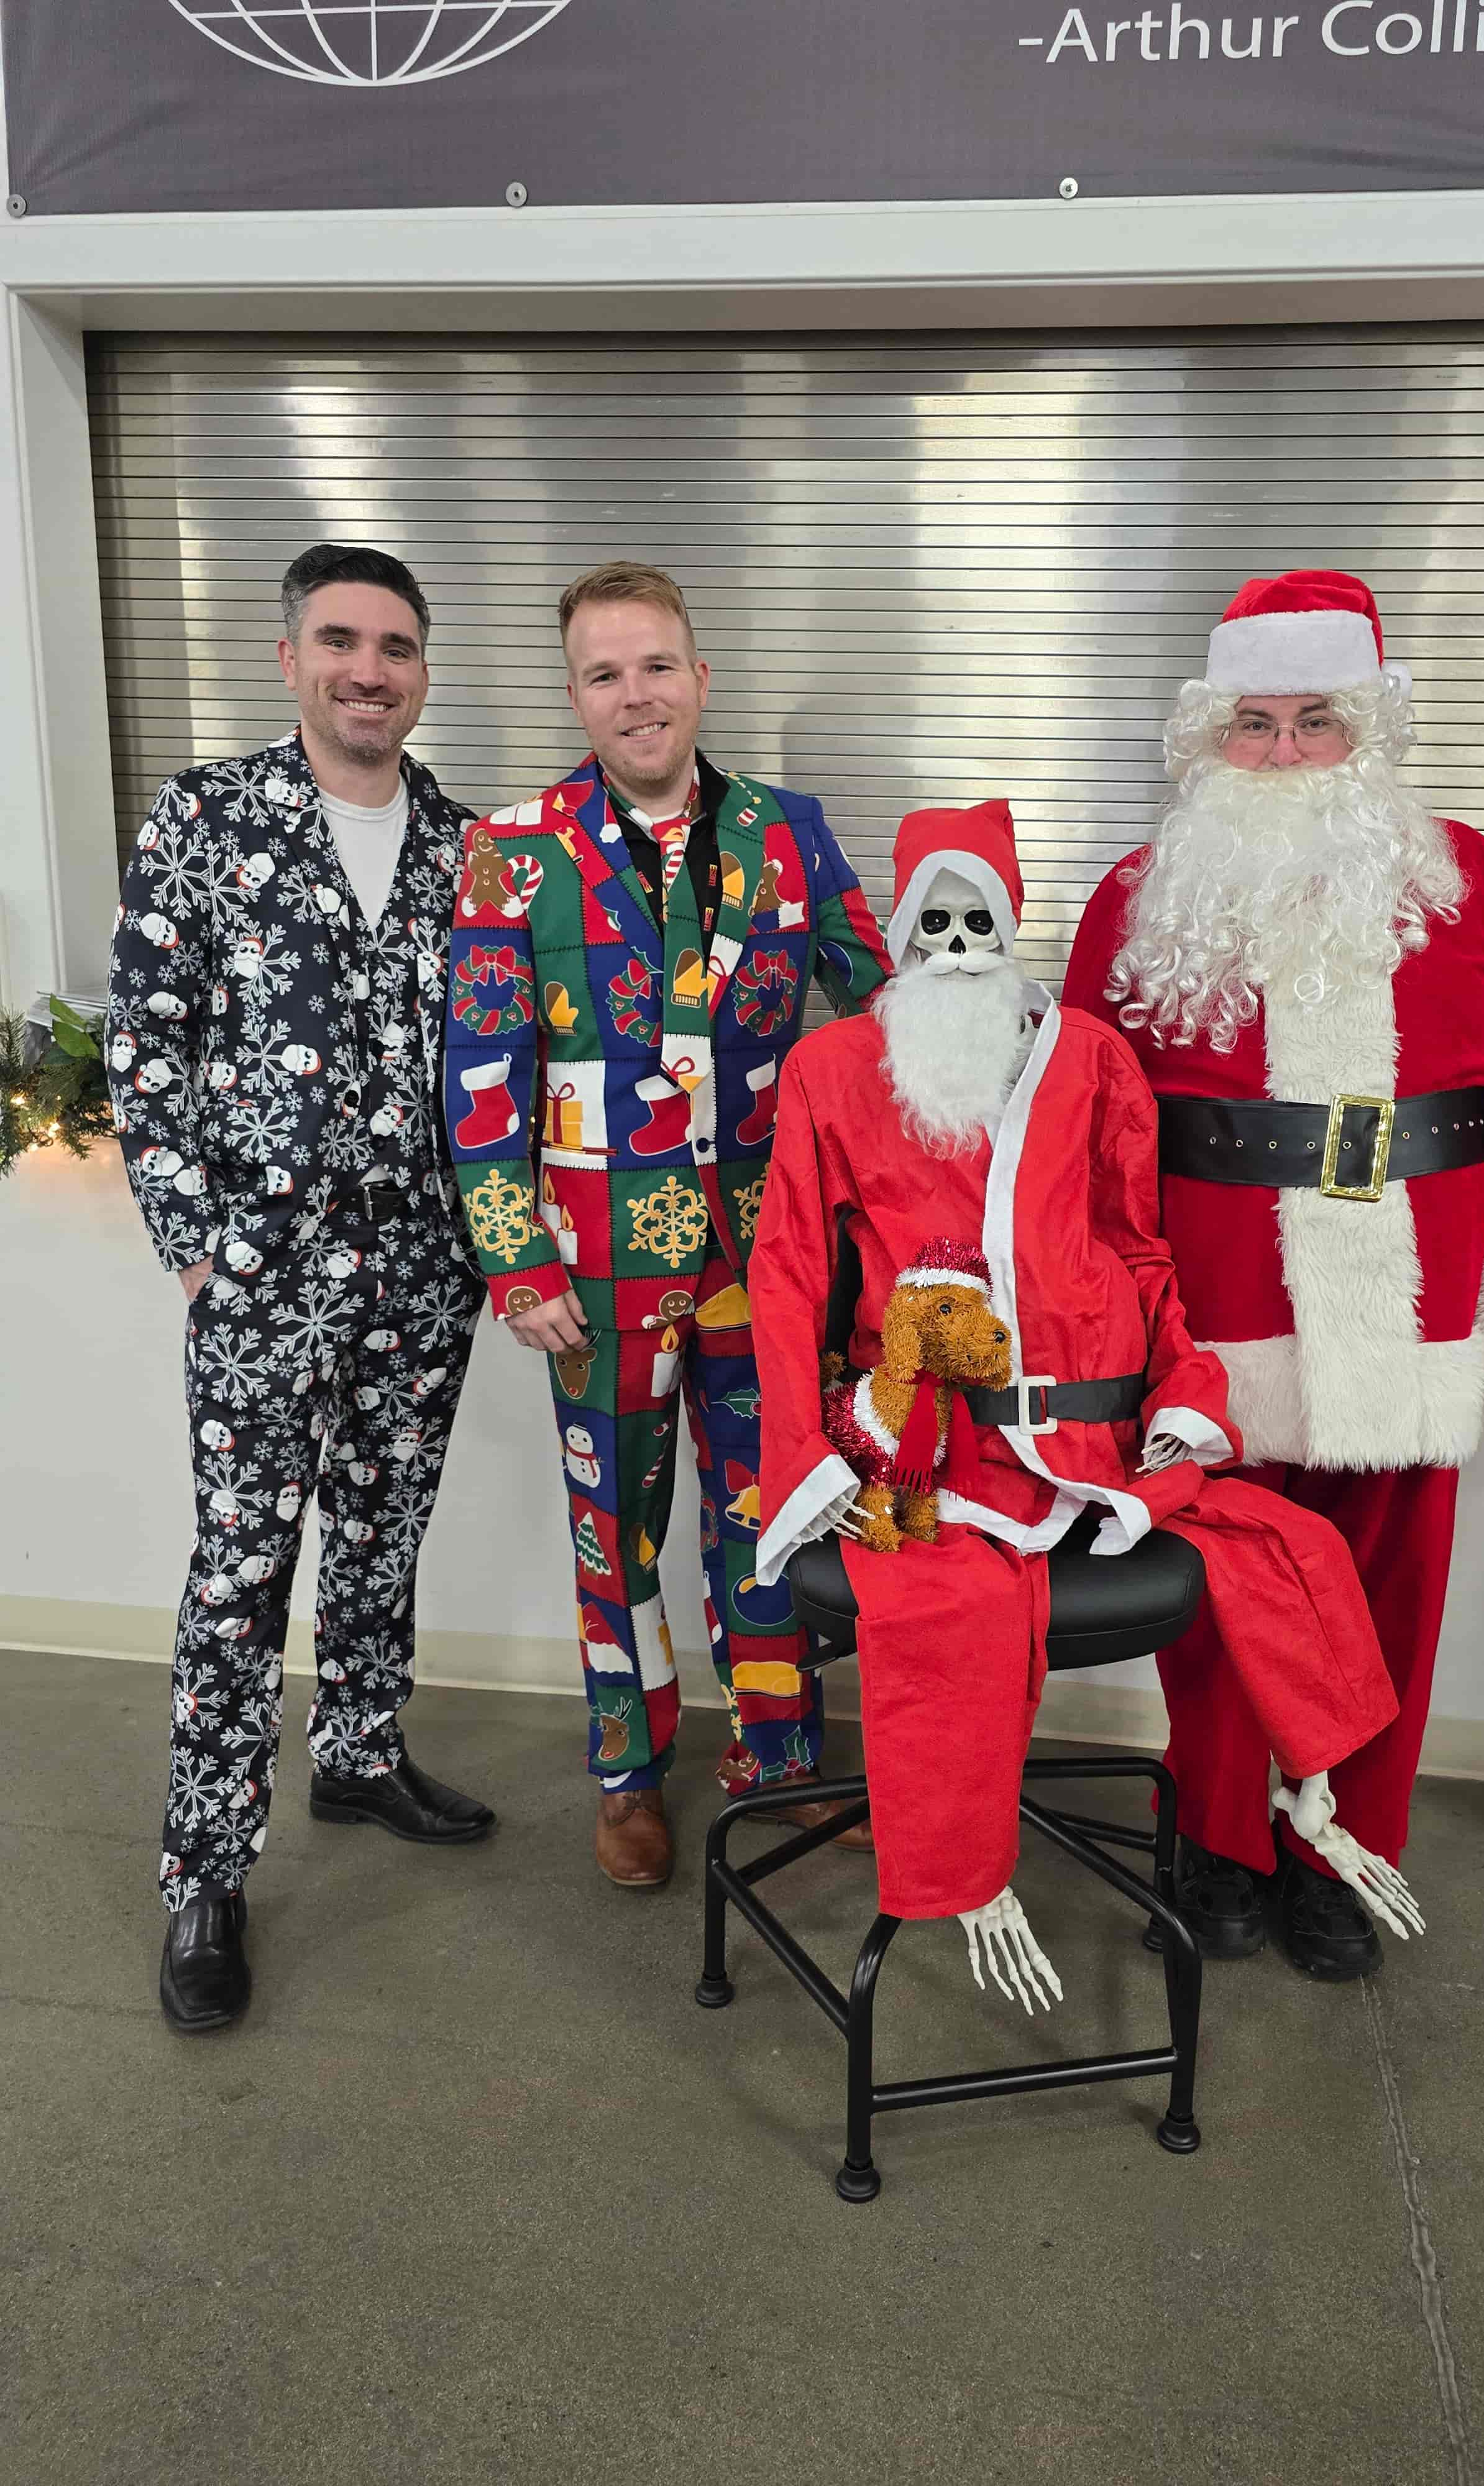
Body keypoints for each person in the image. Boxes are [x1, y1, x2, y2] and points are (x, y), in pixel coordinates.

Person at [751, 800, 1415, 2006]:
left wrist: (1185, 1398)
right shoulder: (833, 1067)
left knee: (1295, 1551)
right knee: (951, 1604)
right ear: (898, 933)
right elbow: (790, 1265)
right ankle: (962, 1868)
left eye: (980, 922)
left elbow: (1143, 1254)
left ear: (1013, 927)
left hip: (1096, 1440)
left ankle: (1309, 1812)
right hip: (938, 1459)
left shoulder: (1096, 1058)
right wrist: (814, 1456)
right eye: (934, 923)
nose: (958, 948)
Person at [1063, 569, 1484, 1980]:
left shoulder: (1472, 879)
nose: (1286, 751)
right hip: (1215, 1312)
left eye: (1318, 720)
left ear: (1368, 729)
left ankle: (1343, 1848)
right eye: (1255, 723)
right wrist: (1100, 1310)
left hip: (1409, 1303)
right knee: (1219, 1587)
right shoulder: (1138, 895)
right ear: (1210, 735)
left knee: (1388, 1595)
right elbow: (1081, 1117)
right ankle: (1219, 1841)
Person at [443, 561, 891, 1891]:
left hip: (770, 1257)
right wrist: (515, 1258)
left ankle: (779, 1754)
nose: (634, 695)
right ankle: (628, 1772)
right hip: (593, 1264)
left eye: (654, 666)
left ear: (698, 677)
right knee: (614, 1527)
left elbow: (881, 1015)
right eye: (604, 673)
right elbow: (482, 1069)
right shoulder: (512, 851)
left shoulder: (790, 831)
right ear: (575, 695)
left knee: (774, 1514)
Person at [106, 543, 493, 2035]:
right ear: (290, 658)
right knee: (242, 1568)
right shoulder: (208, 817)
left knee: (386, 1530)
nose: (367, 670)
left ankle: (361, 1749)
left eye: (395, 646)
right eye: (340, 640)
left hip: (424, 1270)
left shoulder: (469, 848)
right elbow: (145, 1039)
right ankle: (206, 1871)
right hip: (263, 1271)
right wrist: (196, 1241)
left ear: (422, 671)